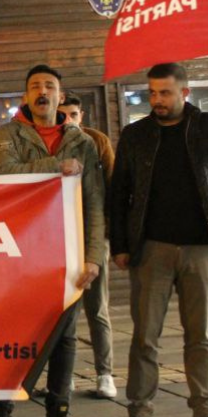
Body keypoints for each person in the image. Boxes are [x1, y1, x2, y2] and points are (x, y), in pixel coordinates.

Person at [111, 62, 208, 417]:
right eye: (152, 93)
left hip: (201, 246)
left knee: (200, 336)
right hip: (151, 248)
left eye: (165, 93)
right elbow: (119, 191)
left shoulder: (205, 125)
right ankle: (139, 415)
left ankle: (204, 414)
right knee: (145, 337)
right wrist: (119, 245)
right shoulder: (136, 134)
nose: (157, 100)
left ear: (185, 93)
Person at [0, 65, 104, 417]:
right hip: (20, 251)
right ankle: (1, 416)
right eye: (35, 86)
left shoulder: (83, 143)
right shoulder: (9, 134)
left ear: (60, 96)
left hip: (67, 251)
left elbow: (94, 202)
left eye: (49, 86)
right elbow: (4, 174)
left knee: (65, 336)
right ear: (26, 96)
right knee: (13, 333)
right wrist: (55, 167)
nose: (42, 92)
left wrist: (93, 256)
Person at [59, 93, 117, 400]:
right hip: (60, 236)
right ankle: (63, 375)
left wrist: (106, 233)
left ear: (81, 116)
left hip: (93, 234)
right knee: (63, 311)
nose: (68, 120)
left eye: (73, 114)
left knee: (97, 308)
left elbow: (111, 187)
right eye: (63, 114)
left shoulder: (98, 142)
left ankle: (104, 373)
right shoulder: (52, 145)